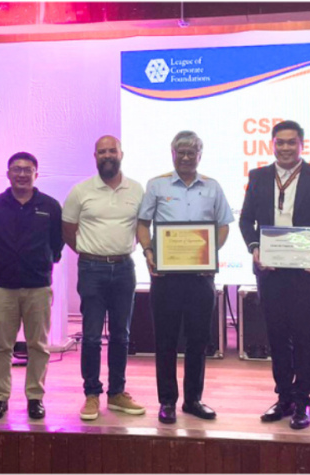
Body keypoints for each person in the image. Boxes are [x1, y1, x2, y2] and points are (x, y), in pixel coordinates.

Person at [238, 120, 310, 430]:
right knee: (277, 335)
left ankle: (303, 400)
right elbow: (246, 221)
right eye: (279, 142)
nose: (285, 148)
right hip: (269, 269)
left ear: (301, 145)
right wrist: (255, 248)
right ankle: (284, 397)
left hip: (305, 270)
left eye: (291, 142)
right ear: (272, 145)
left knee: (305, 336)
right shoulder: (258, 177)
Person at [136, 130, 235, 424]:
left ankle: (193, 400)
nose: (187, 157)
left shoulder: (212, 187)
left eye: (192, 153)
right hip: (165, 277)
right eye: (181, 153)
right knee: (165, 340)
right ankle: (167, 401)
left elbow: (224, 226)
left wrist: (210, 253)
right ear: (173, 154)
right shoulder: (156, 185)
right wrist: (148, 251)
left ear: (200, 156)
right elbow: (142, 224)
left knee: (198, 339)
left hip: (201, 276)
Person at [63, 135, 146, 421]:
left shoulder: (136, 189)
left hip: (124, 269)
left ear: (121, 154)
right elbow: (68, 229)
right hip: (92, 270)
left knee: (122, 335)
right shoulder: (81, 191)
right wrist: (91, 252)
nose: (107, 155)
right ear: (95, 156)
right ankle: (91, 394)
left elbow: (141, 227)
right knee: (91, 336)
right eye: (102, 152)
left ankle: (117, 393)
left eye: (112, 151)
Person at [0, 152, 63, 421]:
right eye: (16, 169)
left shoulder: (50, 206)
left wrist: (43, 261)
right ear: (8, 174)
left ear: (36, 174)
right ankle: (0, 398)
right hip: (4, 287)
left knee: (38, 345)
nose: (22, 174)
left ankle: (35, 397)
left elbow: (57, 243)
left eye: (27, 170)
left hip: (38, 286)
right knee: (1, 346)